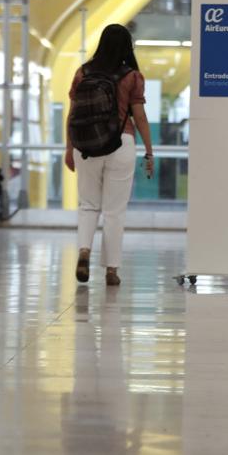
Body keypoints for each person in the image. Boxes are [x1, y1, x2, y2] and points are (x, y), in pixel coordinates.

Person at [65, 24, 155, 287]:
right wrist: (149, 151)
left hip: (86, 145)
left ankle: (84, 251)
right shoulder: (132, 76)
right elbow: (139, 117)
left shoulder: (83, 72)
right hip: (121, 143)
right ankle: (111, 270)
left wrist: (70, 148)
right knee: (114, 211)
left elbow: (72, 115)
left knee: (88, 205)